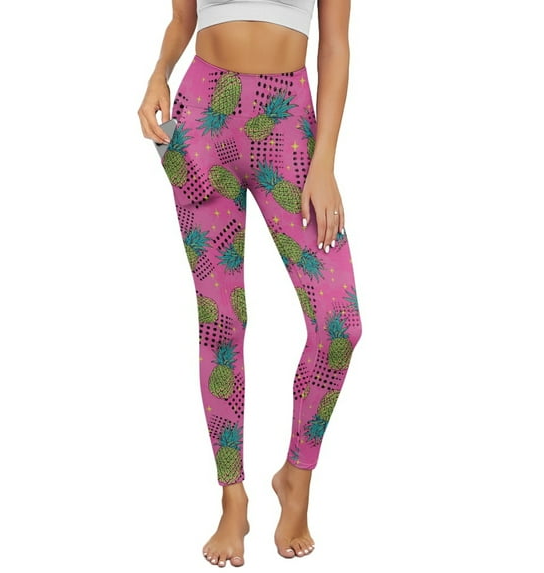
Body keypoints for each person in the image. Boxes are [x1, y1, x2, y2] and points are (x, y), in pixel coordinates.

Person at [137, 0, 362, 567]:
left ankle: (296, 477)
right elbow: (183, 20)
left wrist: (325, 162)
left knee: (339, 325)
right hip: (200, 119)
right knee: (221, 322)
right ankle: (232, 498)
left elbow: (335, 45)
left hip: (288, 125)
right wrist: (158, 75)